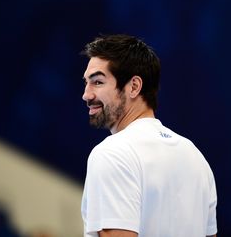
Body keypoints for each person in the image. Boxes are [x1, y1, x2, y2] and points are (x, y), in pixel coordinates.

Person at [80, 34, 218, 237]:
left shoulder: (111, 154)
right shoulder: (196, 157)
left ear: (134, 87)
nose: (86, 94)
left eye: (98, 82)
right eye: (86, 83)